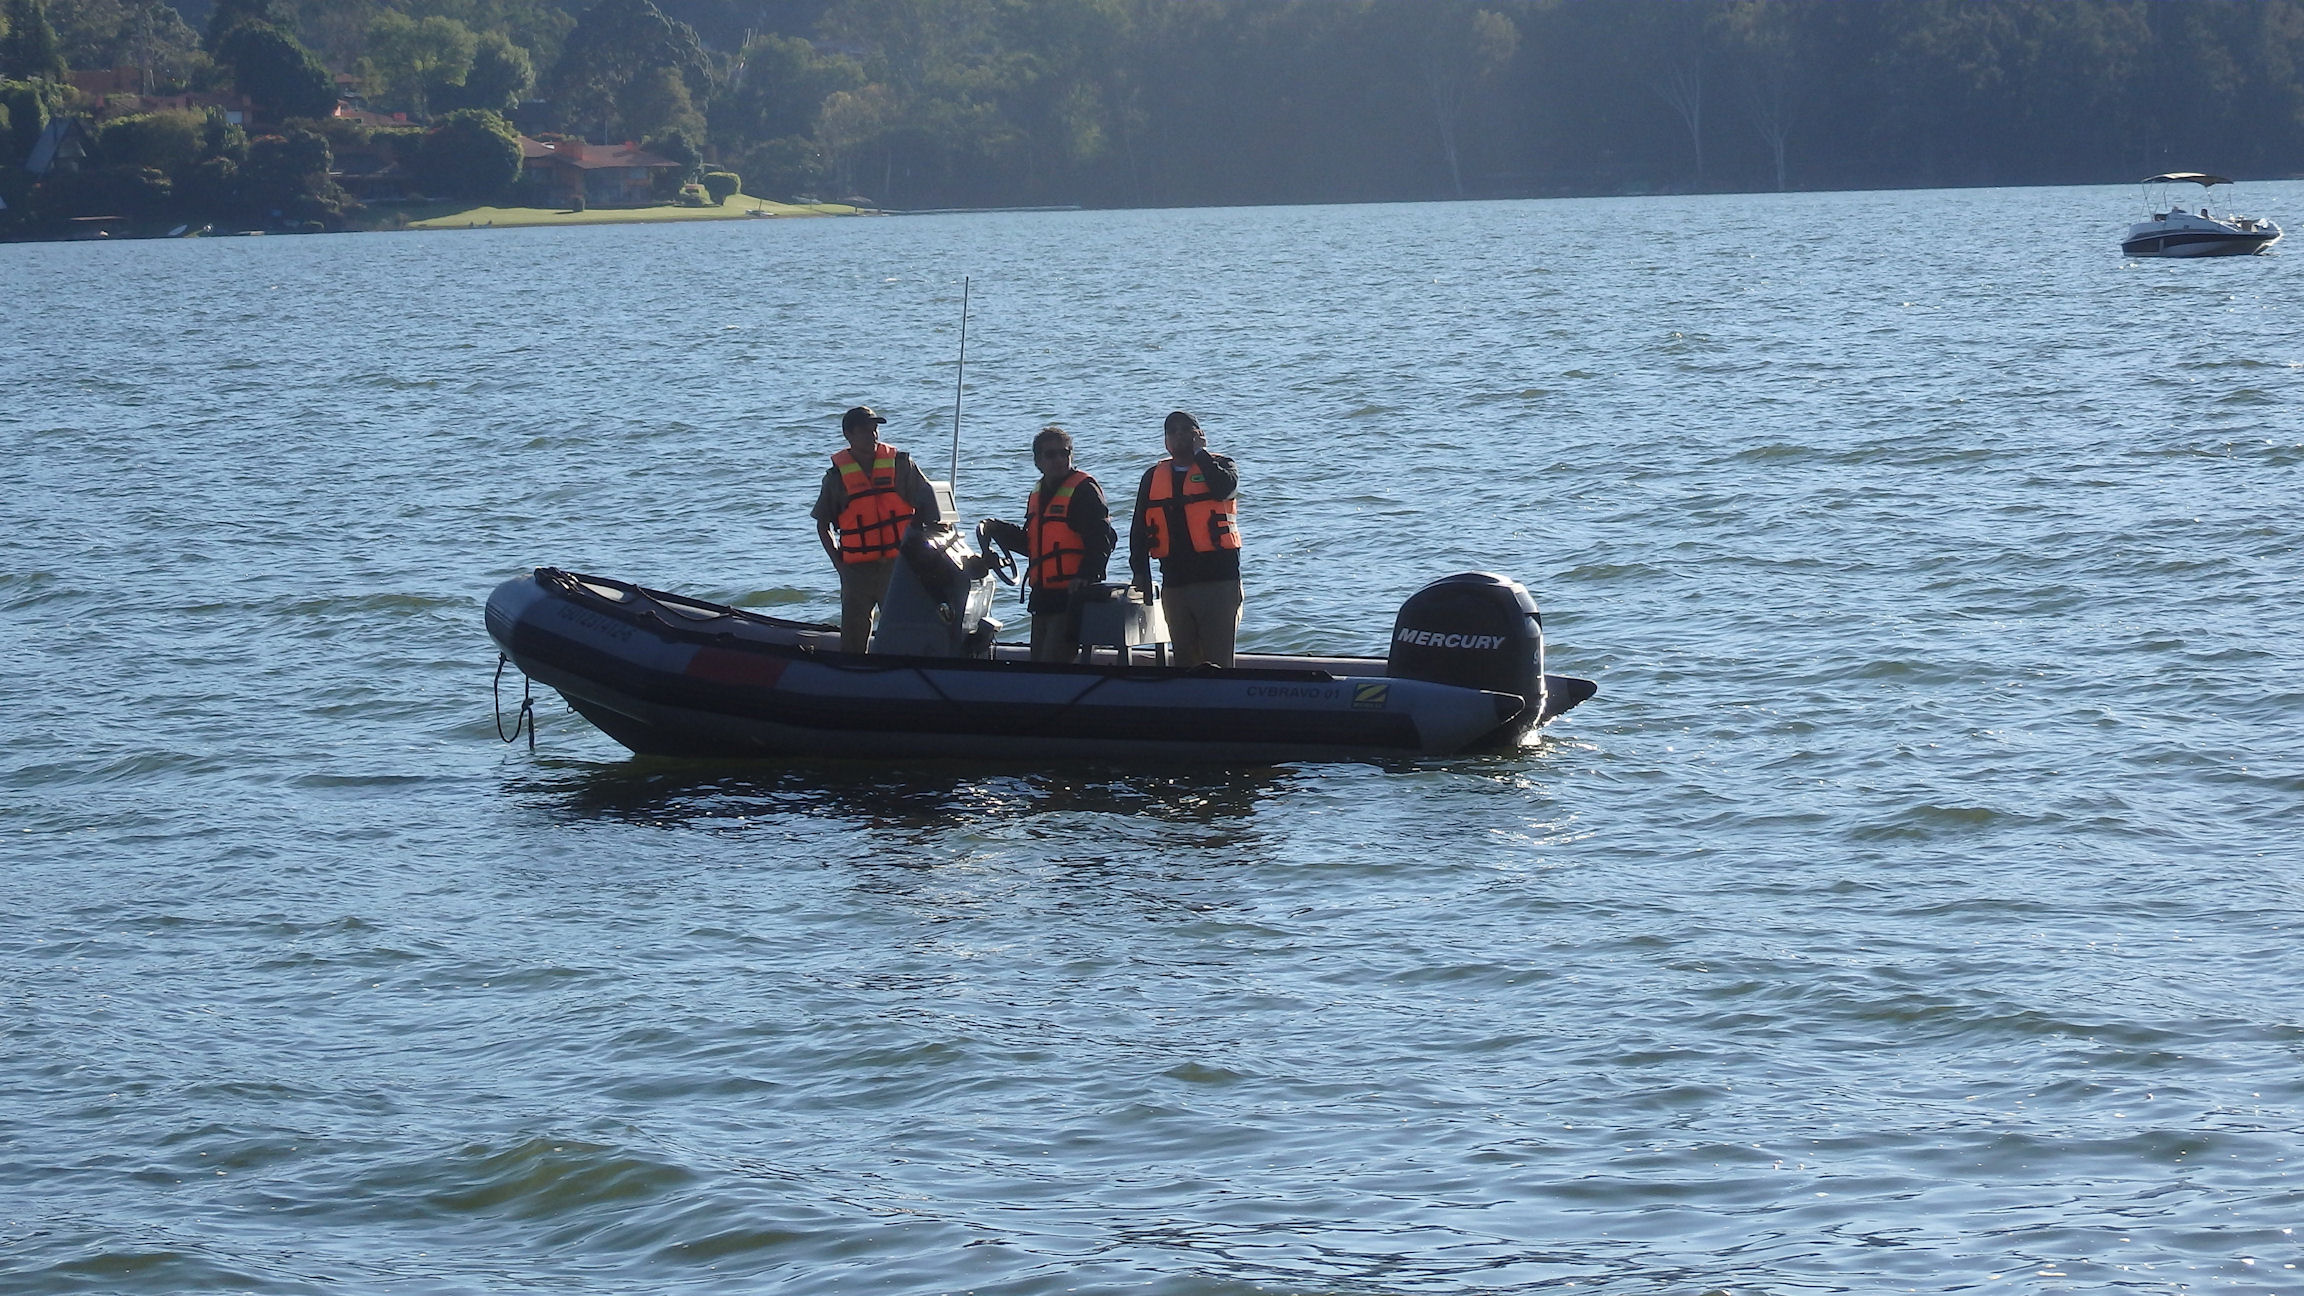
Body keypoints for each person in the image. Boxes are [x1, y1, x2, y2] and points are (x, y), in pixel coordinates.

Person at [812, 405, 941, 653]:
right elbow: (822, 524)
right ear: (848, 435)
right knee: (853, 638)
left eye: (875, 429)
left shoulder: (901, 465)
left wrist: (921, 552)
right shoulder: (836, 478)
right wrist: (840, 566)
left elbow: (931, 506)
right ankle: (853, 670)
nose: (872, 435)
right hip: (856, 571)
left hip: (898, 566)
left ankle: (906, 669)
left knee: (905, 631)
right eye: (864, 430)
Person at [982, 426, 1117, 663]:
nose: (1059, 459)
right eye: (1051, 454)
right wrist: (998, 530)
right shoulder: (1038, 493)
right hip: (1043, 597)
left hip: (1071, 596)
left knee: (1052, 663)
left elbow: (1104, 538)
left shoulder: (1083, 490)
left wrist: (1086, 574)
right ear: (1038, 461)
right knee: (1039, 662)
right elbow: (1033, 543)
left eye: (1064, 453)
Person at [1129, 410, 1240, 668]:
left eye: (1186, 430)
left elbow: (1224, 489)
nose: (1179, 435)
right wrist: (1140, 572)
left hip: (1218, 581)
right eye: (1173, 431)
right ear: (1166, 441)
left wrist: (1201, 453)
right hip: (1175, 583)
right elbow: (1139, 529)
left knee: (1218, 661)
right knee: (1184, 661)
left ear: (1198, 435)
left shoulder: (1222, 466)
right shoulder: (1152, 477)